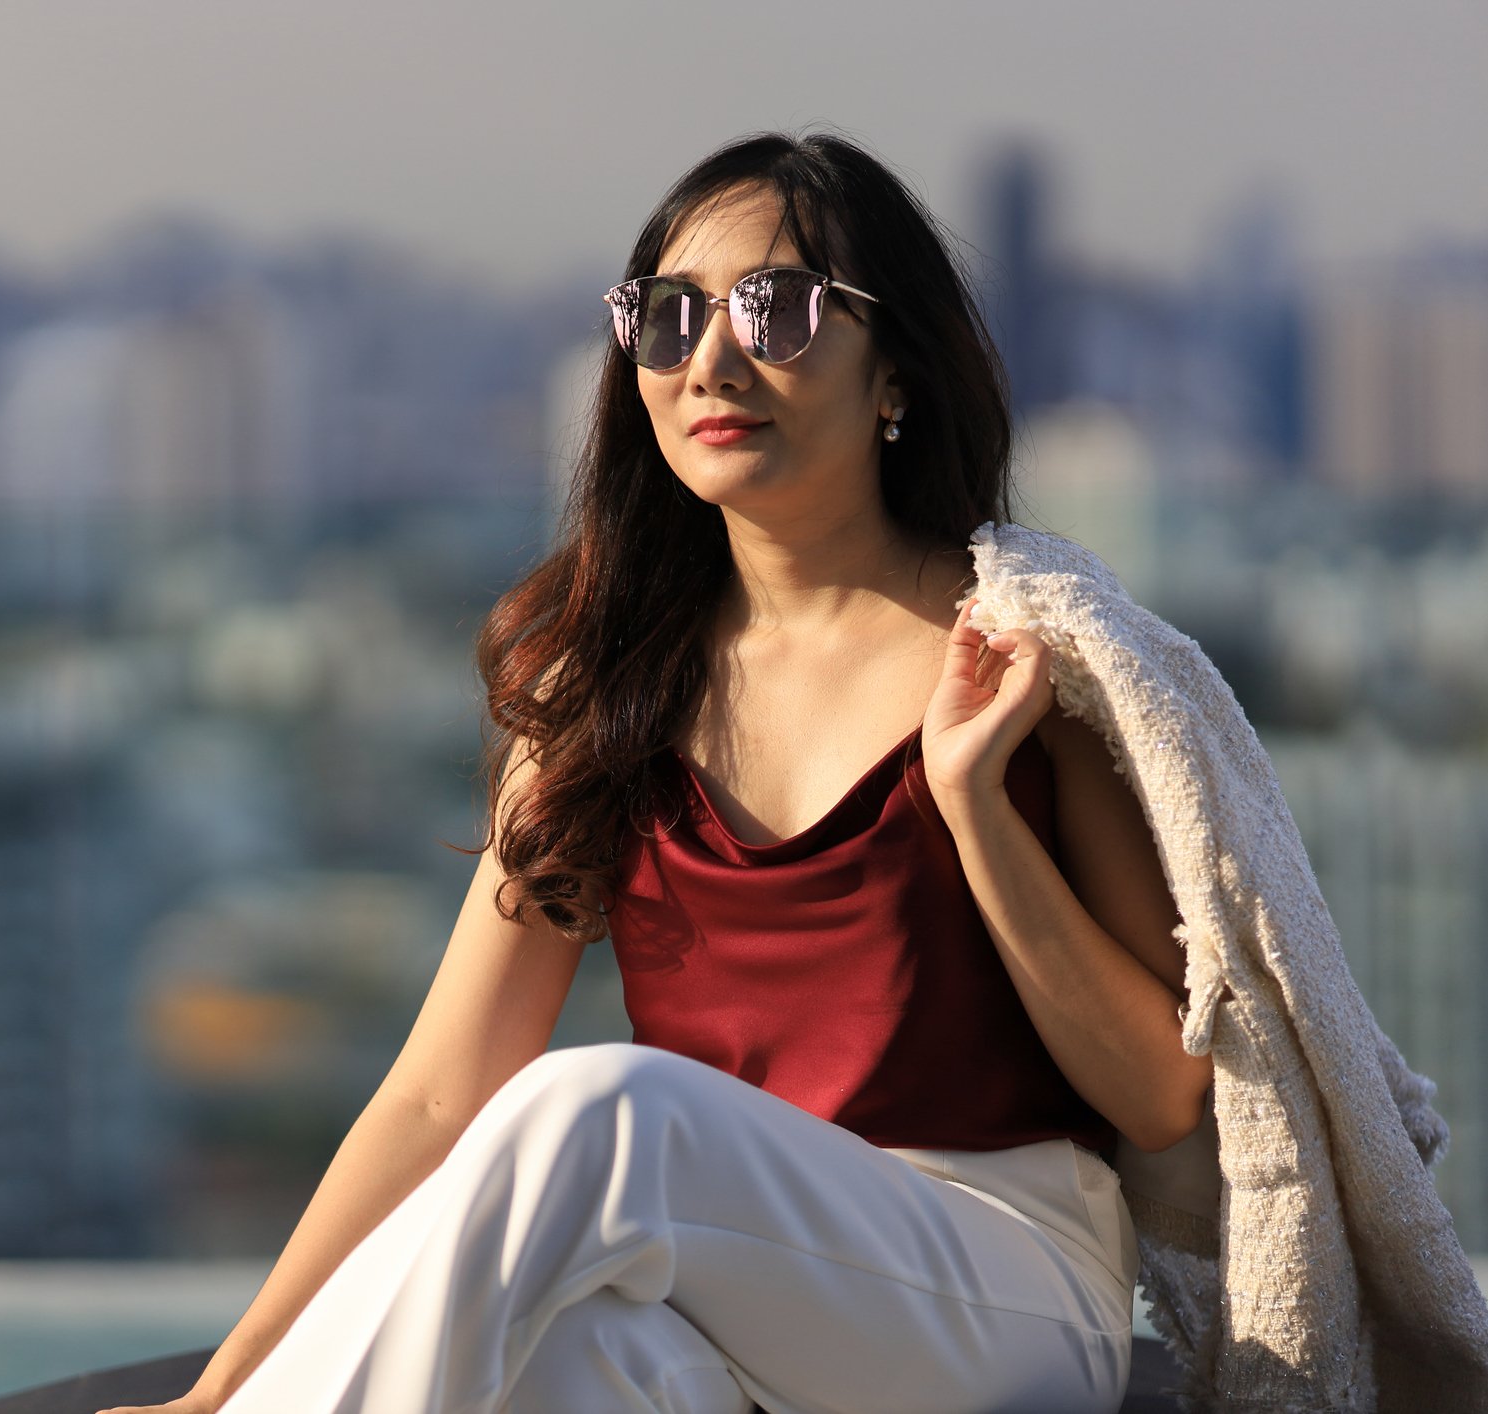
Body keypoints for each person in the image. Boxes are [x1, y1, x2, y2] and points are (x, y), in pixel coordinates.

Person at [100, 128, 1215, 1414]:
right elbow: (438, 1094)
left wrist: (976, 809)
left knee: (597, 1105)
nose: (713, 359)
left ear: (895, 371)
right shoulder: (605, 685)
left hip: (1000, 1290)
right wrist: (218, 1388)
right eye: (670, 316)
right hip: (721, 1294)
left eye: (780, 308)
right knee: (562, 1365)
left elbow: (1161, 1090)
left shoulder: (1025, 659)